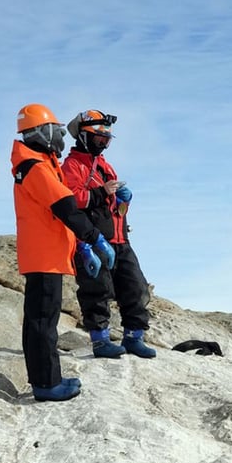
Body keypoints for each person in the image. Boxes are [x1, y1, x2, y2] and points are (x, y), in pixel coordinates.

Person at [11, 103, 115, 402]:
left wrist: (80, 245)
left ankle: (46, 378)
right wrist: (94, 238)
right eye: (55, 131)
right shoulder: (35, 167)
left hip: (47, 254)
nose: (60, 137)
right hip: (44, 257)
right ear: (42, 132)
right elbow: (66, 208)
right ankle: (46, 384)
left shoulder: (38, 162)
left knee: (42, 319)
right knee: (43, 321)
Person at [62, 109, 156, 359]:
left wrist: (125, 200)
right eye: (99, 138)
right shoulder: (73, 165)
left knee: (135, 287)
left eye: (107, 140)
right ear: (83, 135)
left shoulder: (103, 165)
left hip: (119, 238)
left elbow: (113, 205)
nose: (104, 144)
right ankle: (101, 341)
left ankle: (134, 337)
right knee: (97, 289)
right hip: (92, 240)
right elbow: (70, 201)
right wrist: (103, 192)